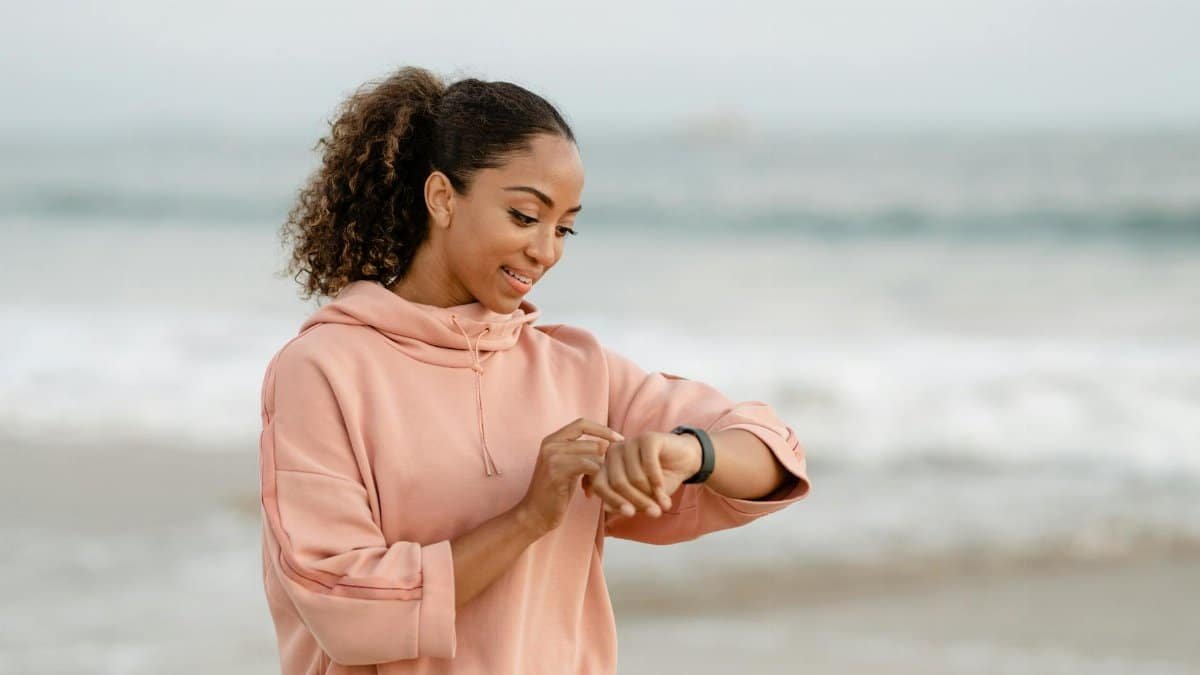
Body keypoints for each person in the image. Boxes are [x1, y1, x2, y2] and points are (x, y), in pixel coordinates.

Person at [258, 65, 812, 675]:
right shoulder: (323, 370)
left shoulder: (576, 370)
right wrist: (527, 518)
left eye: (565, 227)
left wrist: (688, 453)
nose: (546, 251)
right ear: (442, 197)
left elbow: (772, 454)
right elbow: (345, 609)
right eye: (525, 216)